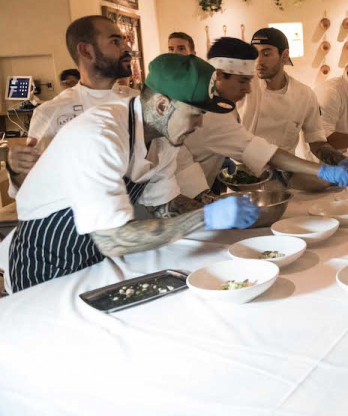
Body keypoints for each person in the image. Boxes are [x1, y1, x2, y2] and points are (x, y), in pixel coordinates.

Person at [6, 54, 260, 293]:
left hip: (94, 259)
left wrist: (220, 208)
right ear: (162, 106)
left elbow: (165, 206)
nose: (199, 124)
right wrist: (205, 218)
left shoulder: (163, 139)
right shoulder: (100, 135)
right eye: (195, 114)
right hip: (46, 262)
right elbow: (113, 240)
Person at [174, 37, 348, 200]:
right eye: (243, 81)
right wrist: (322, 171)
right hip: (174, 196)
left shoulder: (221, 103)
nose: (248, 90)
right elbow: (268, 154)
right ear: (219, 75)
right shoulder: (211, 114)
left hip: (193, 189)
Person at [6, 15, 138, 197]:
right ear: (86, 51)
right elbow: (29, 189)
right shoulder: (51, 112)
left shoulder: (139, 102)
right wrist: (16, 168)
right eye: (115, 41)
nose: (127, 48)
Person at [238, 28, 346, 167]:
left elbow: (317, 143)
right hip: (243, 175)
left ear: (284, 55)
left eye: (266, 54)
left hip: (285, 176)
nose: (259, 61)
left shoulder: (304, 95)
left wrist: (340, 160)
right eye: (255, 54)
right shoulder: (243, 88)